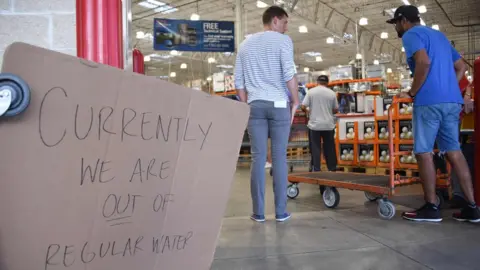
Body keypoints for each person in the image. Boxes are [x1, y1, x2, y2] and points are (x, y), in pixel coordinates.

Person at [388, 5, 480, 222]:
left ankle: (431, 207)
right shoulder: (439, 35)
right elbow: (461, 68)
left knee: (423, 152)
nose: (397, 30)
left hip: (428, 102)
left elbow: (423, 62)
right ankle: (473, 207)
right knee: (453, 151)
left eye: (396, 25)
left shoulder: (411, 34)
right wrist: (447, 86)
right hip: (451, 101)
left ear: (403, 21)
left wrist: (412, 92)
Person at [234, 5, 300, 223]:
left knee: (258, 158)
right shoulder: (283, 41)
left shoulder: (244, 44)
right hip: (279, 104)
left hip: (254, 105)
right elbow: (289, 73)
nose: (286, 27)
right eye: (285, 22)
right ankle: (281, 212)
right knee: (279, 158)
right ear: (274, 20)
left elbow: (239, 82)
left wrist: (246, 105)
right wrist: (296, 99)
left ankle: (258, 213)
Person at [301, 75, 338, 172]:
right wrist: (328, 111)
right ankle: (332, 169)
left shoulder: (311, 92)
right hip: (328, 125)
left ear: (317, 82)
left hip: (314, 126)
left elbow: (303, 106)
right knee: (329, 148)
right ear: (327, 83)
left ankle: (316, 170)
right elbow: (335, 110)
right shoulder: (332, 93)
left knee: (315, 148)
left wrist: (309, 111)